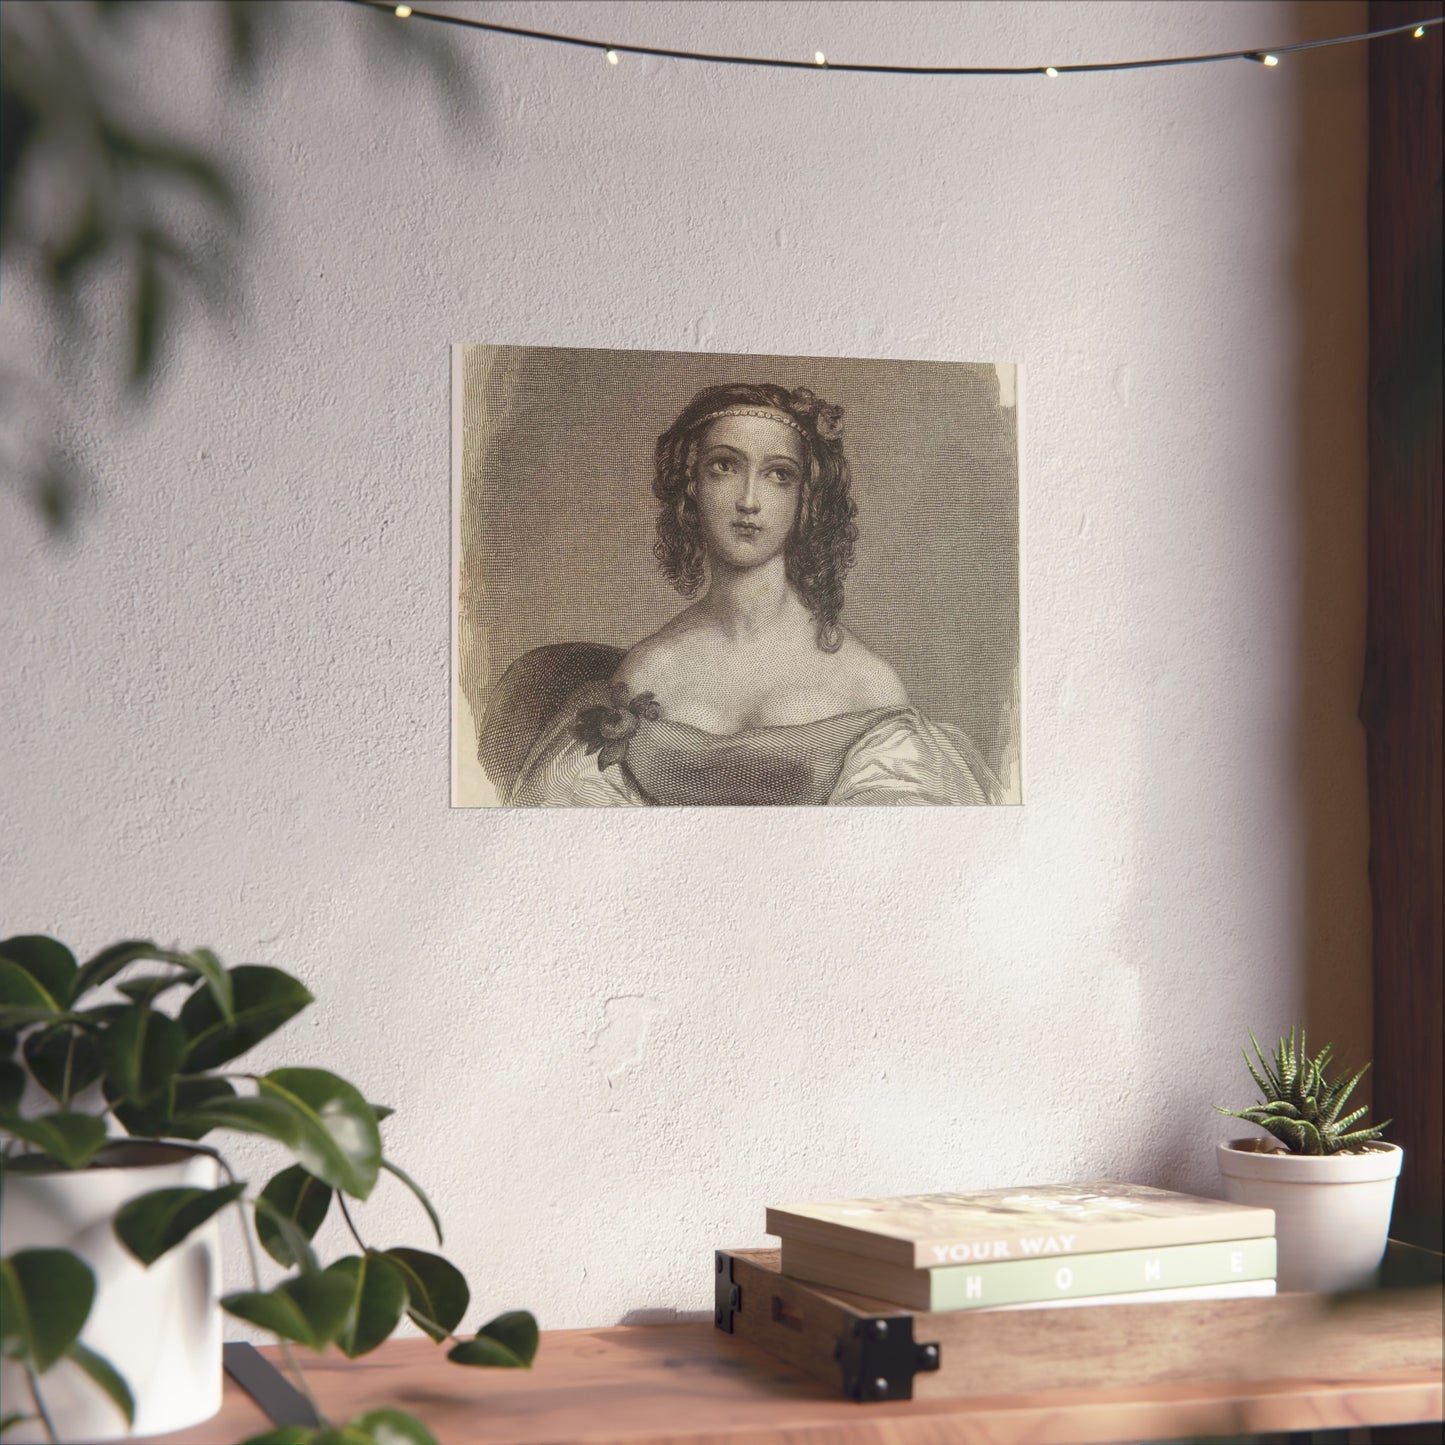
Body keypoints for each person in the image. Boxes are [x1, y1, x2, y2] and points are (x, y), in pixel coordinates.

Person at [479, 382, 1002, 806]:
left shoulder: (868, 685)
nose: (749, 501)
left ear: (807, 501)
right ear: (691, 486)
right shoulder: (645, 673)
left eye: (778, 475)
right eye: (724, 466)